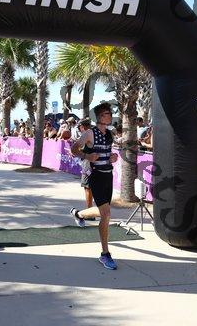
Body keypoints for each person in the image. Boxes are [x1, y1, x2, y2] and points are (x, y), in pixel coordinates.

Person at [70, 103, 119, 270]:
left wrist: (113, 157)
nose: (109, 115)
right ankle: (105, 254)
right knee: (106, 214)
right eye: (106, 113)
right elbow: (73, 149)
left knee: (102, 211)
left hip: (108, 176)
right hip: (96, 176)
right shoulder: (90, 133)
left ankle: (78, 214)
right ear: (99, 117)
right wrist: (87, 156)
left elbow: (108, 153)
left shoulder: (110, 133)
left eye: (110, 113)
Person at [76, 118, 94, 211]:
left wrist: (75, 152)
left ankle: (89, 211)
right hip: (96, 164)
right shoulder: (96, 133)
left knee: (87, 187)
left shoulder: (87, 135)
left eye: (79, 127)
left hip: (88, 164)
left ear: (82, 126)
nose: (79, 130)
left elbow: (78, 149)